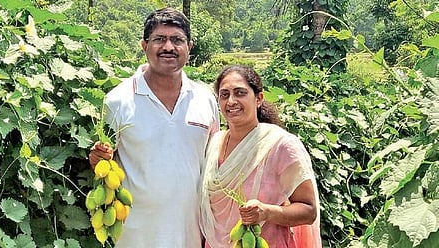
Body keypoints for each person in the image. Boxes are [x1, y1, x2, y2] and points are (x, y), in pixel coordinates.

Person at [88, 7, 219, 248]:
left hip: (191, 232)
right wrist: (97, 158)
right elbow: (104, 163)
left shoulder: (206, 99)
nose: (168, 47)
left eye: (177, 40)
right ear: (144, 45)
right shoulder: (118, 101)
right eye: (159, 39)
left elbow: (216, 161)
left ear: (189, 47)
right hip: (134, 234)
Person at [200, 65, 321, 248]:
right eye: (224, 95)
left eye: (240, 93)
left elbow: (309, 210)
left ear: (259, 98)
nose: (231, 101)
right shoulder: (213, 144)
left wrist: (267, 212)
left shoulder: (280, 145)